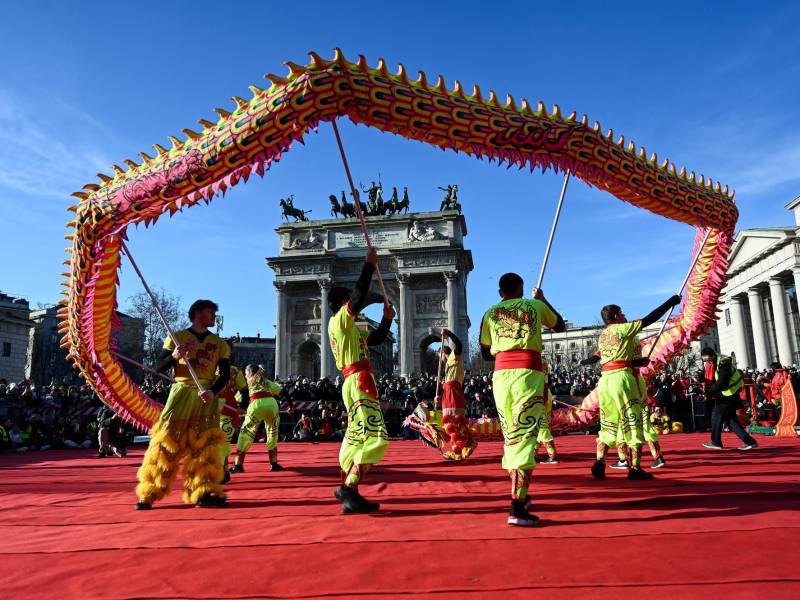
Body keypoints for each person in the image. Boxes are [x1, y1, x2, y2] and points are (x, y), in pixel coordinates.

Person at [479, 273, 566, 527]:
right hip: (528, 374)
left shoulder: (490, 313)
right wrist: (543, 299)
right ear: (521, 289)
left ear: (500, 293)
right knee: (526, 436)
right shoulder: (534, 306)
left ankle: (521, 496)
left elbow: (485, 353)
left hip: (501, 377)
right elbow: (559, 325)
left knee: (512, 435)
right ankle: (517, 505)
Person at [135, 299, 230, 510]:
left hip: (205, 396)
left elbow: (224, 375)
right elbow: (157, 367)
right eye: (210, 313)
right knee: (166, 440)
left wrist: (213, 392)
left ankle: (202, 492)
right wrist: (175, 356)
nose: (213, 317)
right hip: (181, 393)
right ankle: (149, 492)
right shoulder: (177, 337)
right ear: (198, 313)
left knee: (205, 445)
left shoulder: (220, 344)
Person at [328, 247, 395, 514]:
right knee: (376, 436)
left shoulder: (350, 330)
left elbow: (377, 340)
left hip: (356, 381)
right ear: (343, 304)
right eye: (349, 303)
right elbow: (356, 298)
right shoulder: (341, 321)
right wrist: (368, 266)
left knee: (358, 435)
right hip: (358, 381)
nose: (353, 306)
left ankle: (350, 492)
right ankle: (349, 487)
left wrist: (387, 320)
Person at [590, 295, 680, 481]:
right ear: (615, 317)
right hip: (623, 378)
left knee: (608, 422)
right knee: (634, 420)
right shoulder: (623, 329)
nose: (624, 316)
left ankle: (600, 460)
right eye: (621, 313)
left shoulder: (603, 336)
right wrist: (670, 302)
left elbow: (614, 358)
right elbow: (650, 318)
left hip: (606, 380)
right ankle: (635, 467)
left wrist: (638, 361)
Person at [701, 347, 758, 450]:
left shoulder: (723, 362)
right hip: (726, 393)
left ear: (713, 355)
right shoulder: (714, 363)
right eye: (705, 360)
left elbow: (723, 381)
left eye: (708, 359)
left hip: (729, 394)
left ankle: (716, 442)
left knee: (716, 416)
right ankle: (749, 441)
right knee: (731, 420)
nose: (707, 362)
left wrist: (709, 391)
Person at [233, 364, 284, 472]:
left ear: (249, 373)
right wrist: (291, 406)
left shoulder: (247, 384)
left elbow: (237, 400)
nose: (245, 375)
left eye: (246, 373)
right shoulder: (266, 382)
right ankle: (274, 463)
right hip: (272, 405)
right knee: (272, 433)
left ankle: (238, 465)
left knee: (245, 434)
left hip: (256, 405)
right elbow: (283, 392)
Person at [218, 352, 249, 481]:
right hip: (208, 408)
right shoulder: (206, 366)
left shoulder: (235, 371)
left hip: (227, 410)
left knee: (221, 441)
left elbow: (244, 390)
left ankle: (220, 471)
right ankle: (223, 471)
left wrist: (243, 406)